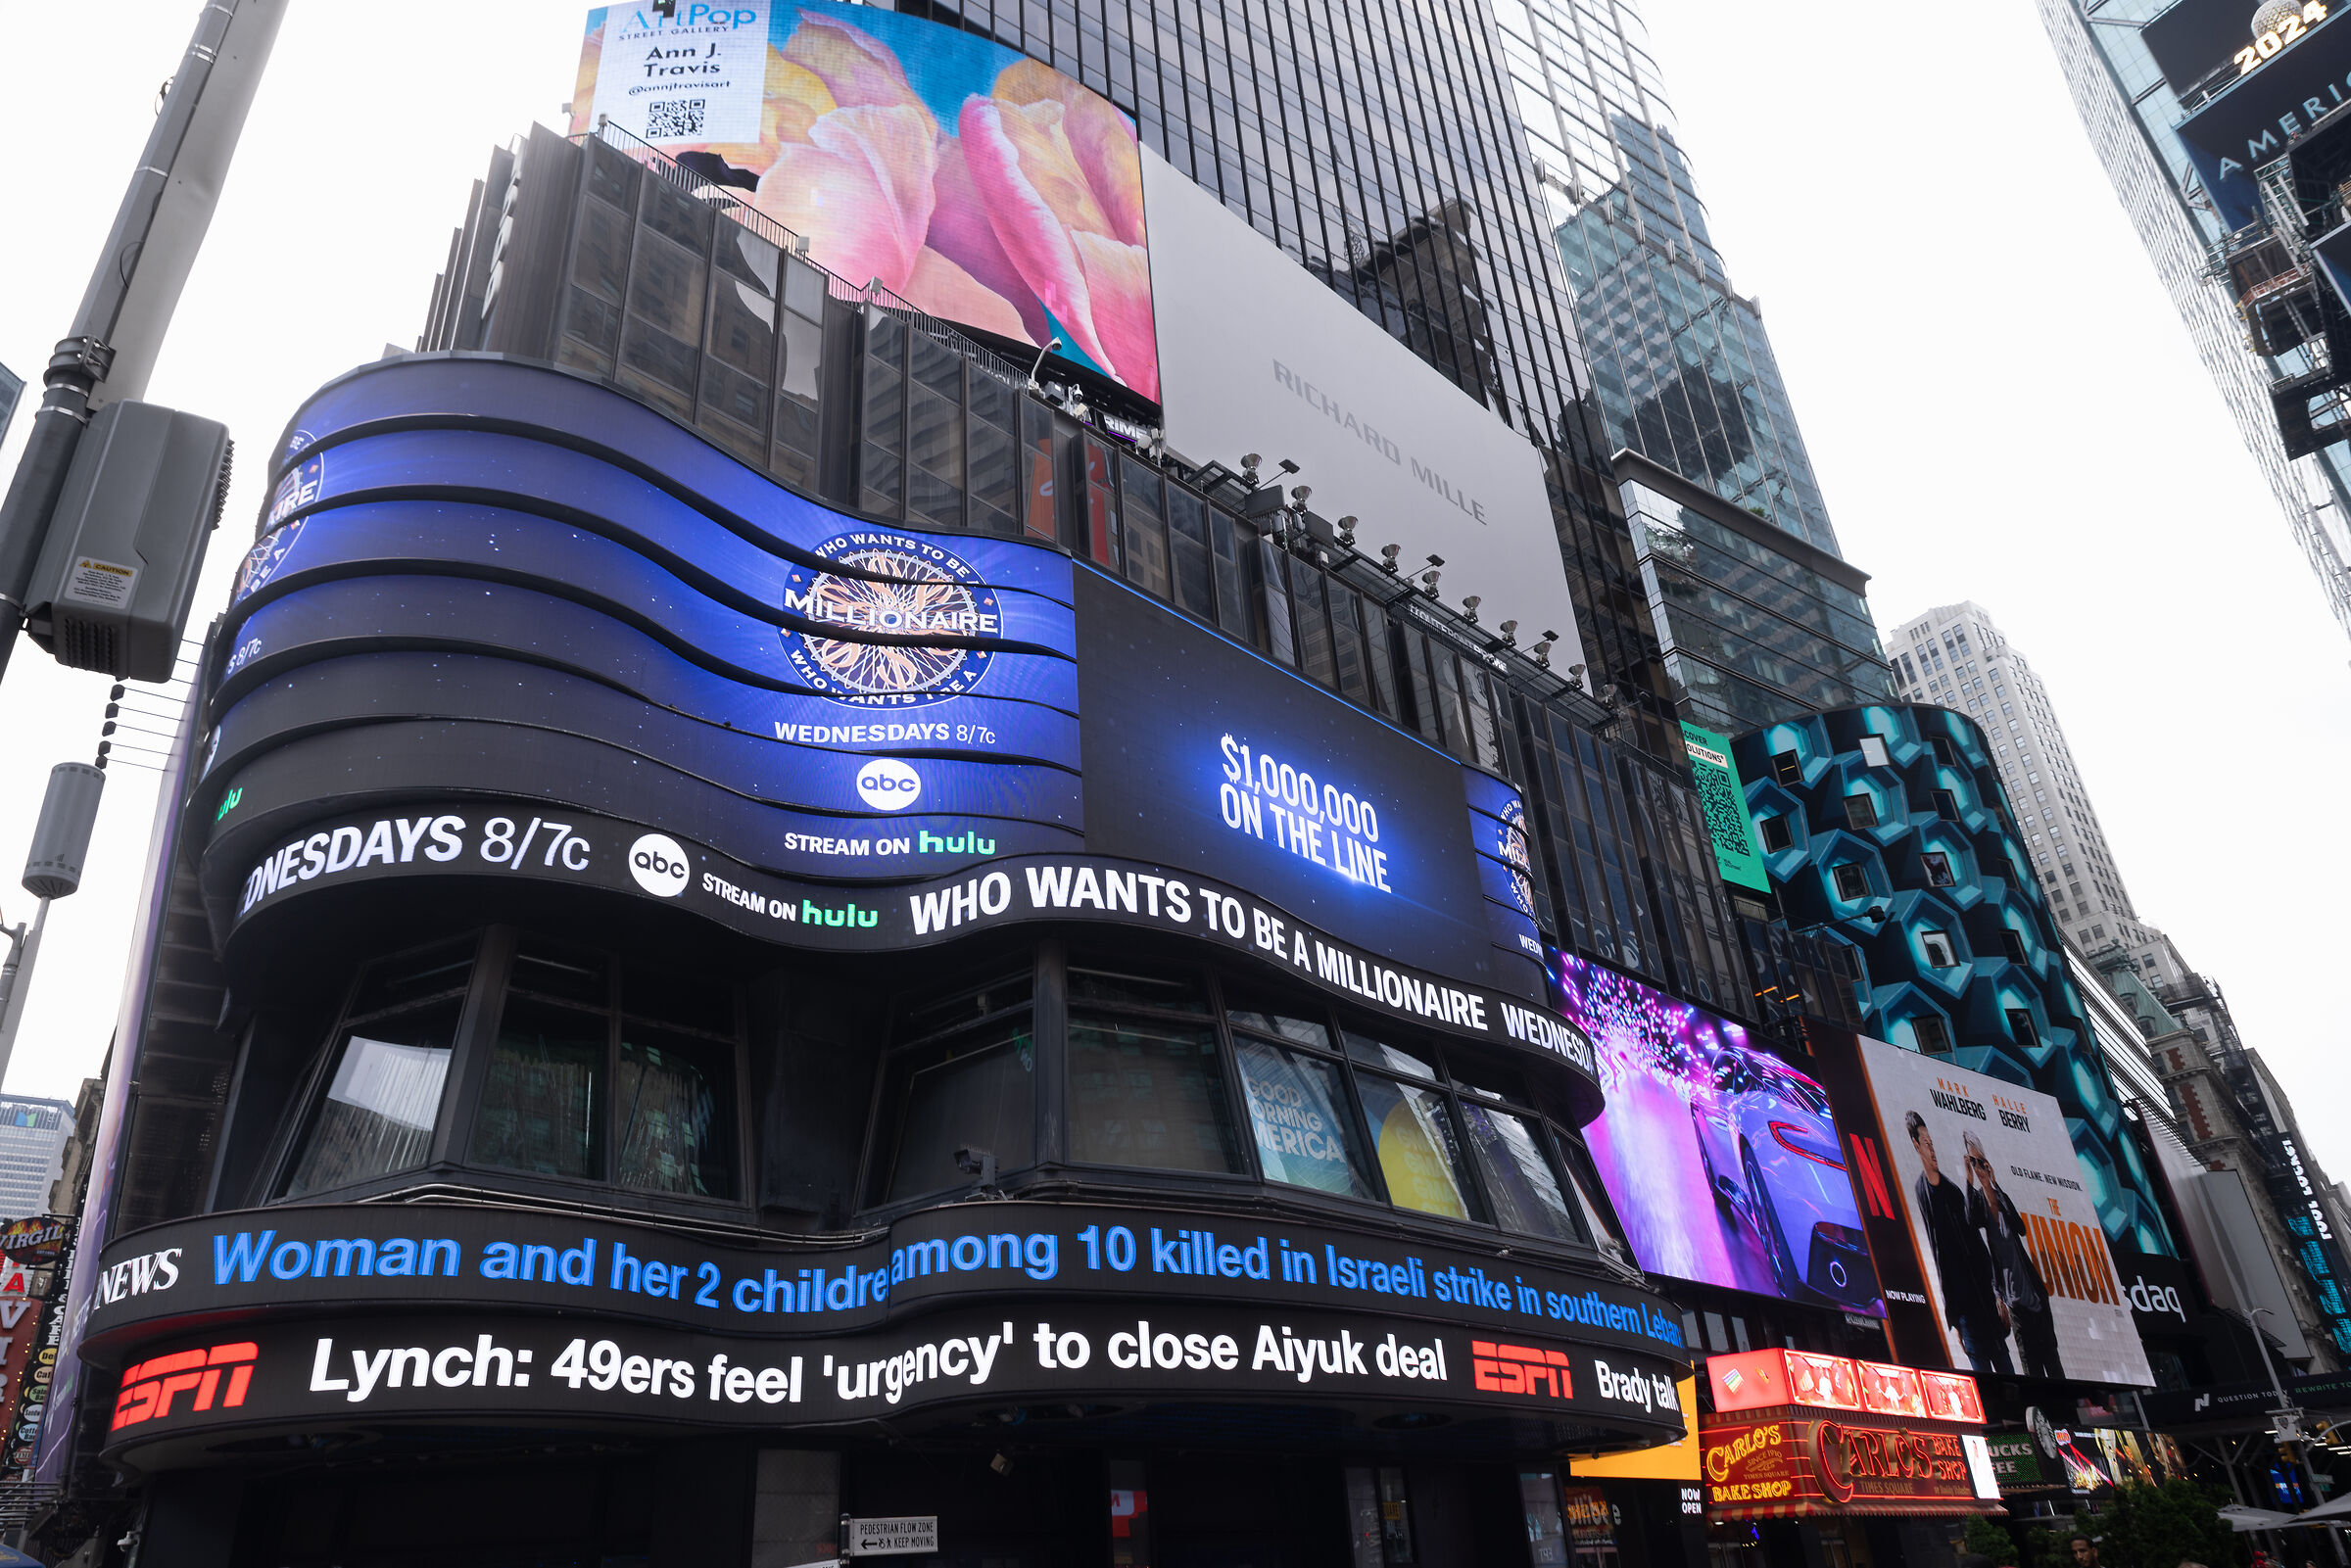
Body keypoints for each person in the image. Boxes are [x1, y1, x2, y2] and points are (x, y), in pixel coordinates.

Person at [1906, 1110, 2015, 1374]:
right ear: (1916, 1145)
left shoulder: (1954, 1190)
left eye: (1932, 1143)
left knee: (2008, 1374)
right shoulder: (1922, 1191)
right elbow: (1940, 1253)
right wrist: (1954, 1319)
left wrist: (1998, 1295)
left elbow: (1977, 1245)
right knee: (1986, 1392)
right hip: (1967, 1315)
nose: (1932, 1150)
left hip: (1986, 1306)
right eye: (1926, 1144)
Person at [1964, 1129, 2063, 1379]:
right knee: (2031, 1367)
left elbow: (2020, 1227)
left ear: (1988, 1163)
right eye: (1972, 1162)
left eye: (1980, 1162)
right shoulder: (1977, 1201)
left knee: (2052, 1360)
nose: (1978, 1167)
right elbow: (1970, 1221)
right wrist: (1969, 1181)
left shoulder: (2001, 1197)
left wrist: (1994, 1184)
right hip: (2013, 1301)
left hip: (2035, 1297)